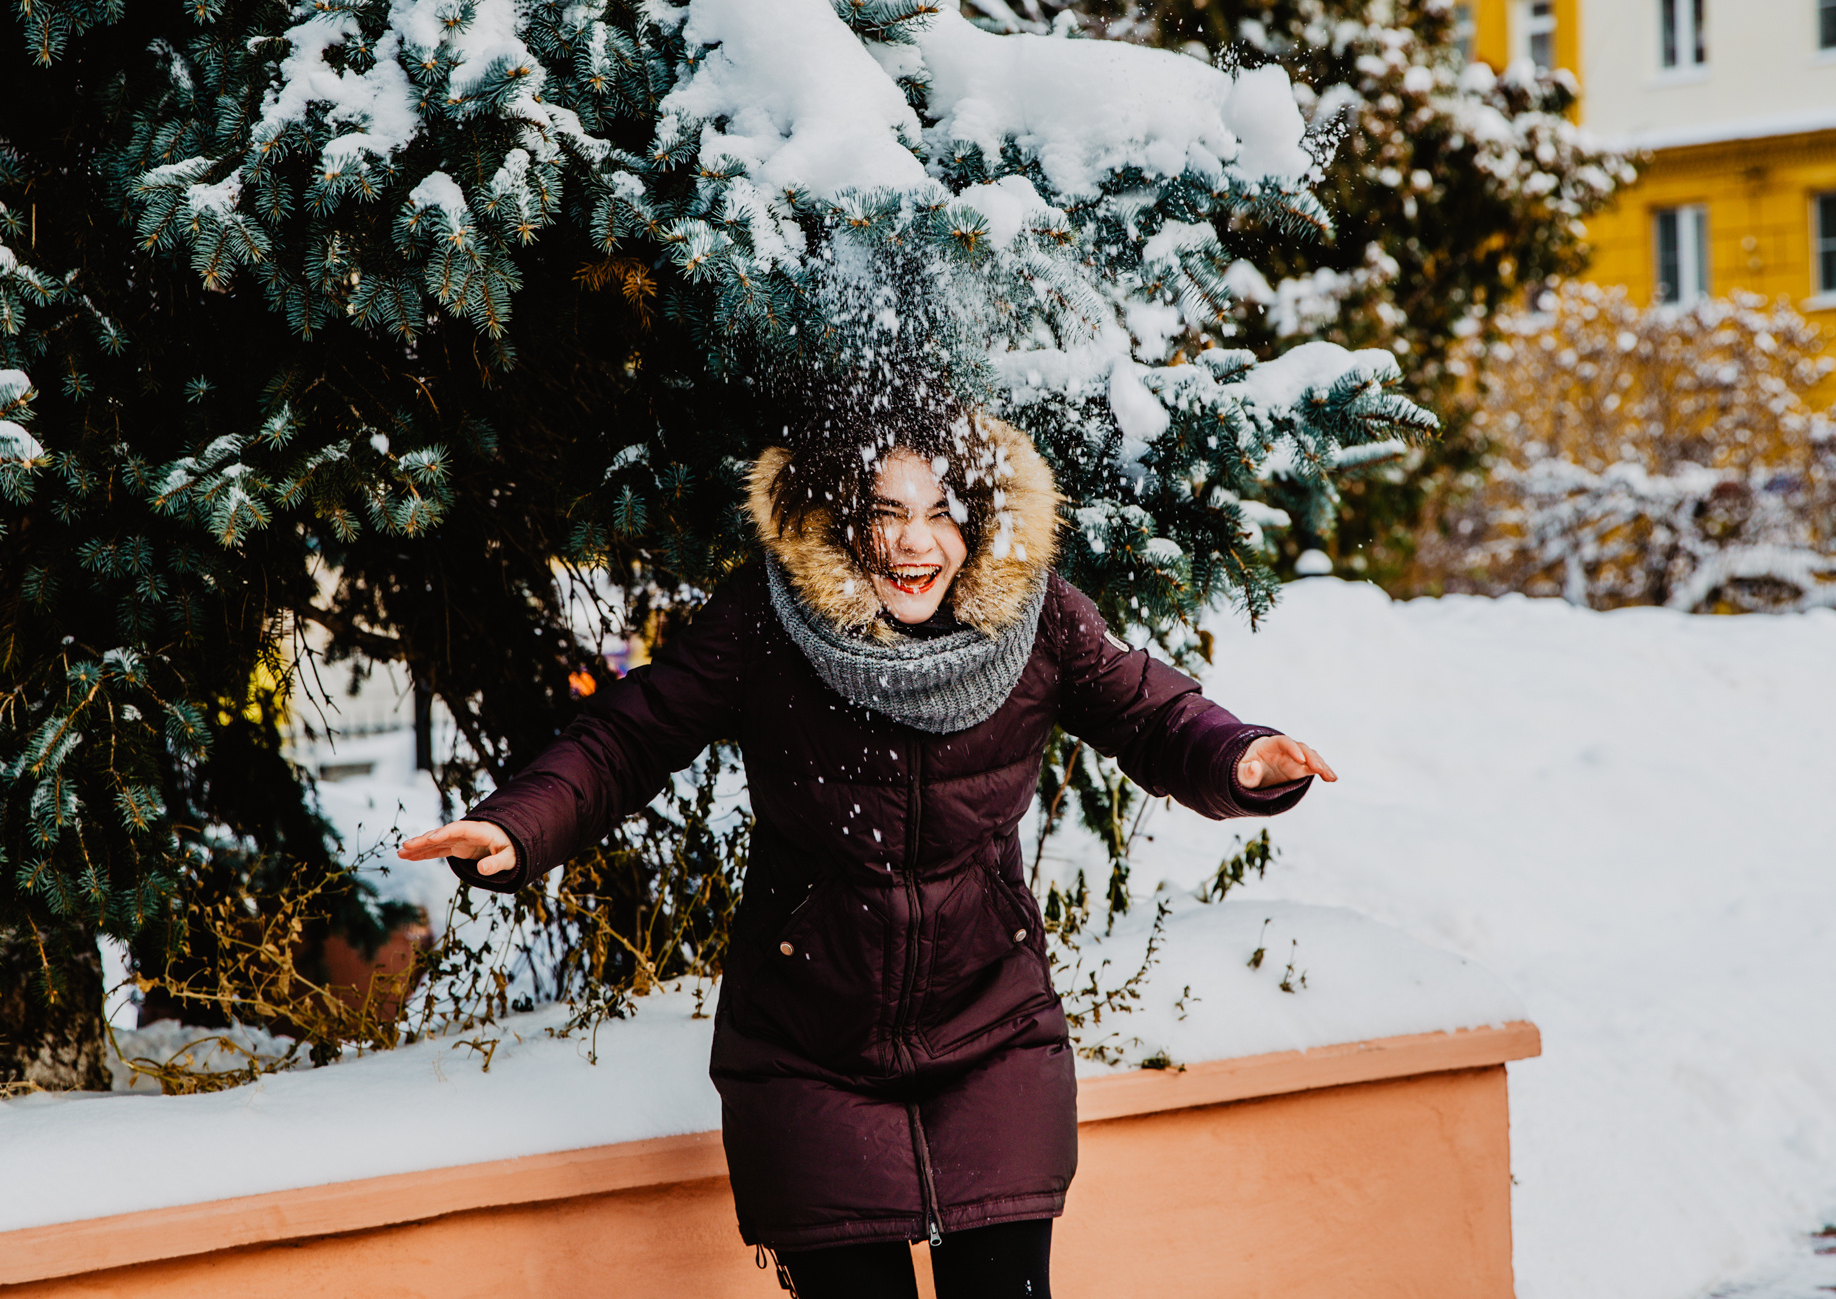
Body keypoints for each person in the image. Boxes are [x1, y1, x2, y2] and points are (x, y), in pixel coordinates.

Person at [400, 393, 1335, 1298]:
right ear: (841, 518)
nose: (913, 543)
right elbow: (629, 734)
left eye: (941, 513)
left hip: (993, 1030)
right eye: (885, 512)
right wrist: (517, 823)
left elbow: (1151, 709)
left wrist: (1242, 755)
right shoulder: (768, 621)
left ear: (978, 523)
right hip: (808, 1048)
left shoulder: (1039, 618)